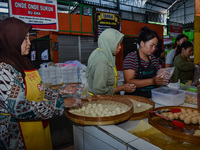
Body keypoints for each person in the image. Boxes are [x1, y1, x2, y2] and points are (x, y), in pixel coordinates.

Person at [0, 17, 82, 150]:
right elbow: (20, 108)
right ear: (11, 40)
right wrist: (62, 103)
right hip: (17, 138)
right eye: (24, 39)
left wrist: (61, 91)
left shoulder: (22, 62)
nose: (29, 43)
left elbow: (37, 91)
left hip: (36, 128)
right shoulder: (3, 69)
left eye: (29, 38)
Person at [86, 28, 136, 95]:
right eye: (117, 44)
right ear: (109, 43)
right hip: (100, 101)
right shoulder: (102, 62)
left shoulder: (100, 52)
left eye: (120, 44)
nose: (120, 47)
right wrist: (122, 88)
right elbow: (99, 91)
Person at [123, 26, 168, 98]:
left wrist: (162, 76)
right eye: (151, 45)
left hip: (151, 97)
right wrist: (152, 81)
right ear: (142, 43)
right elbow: (129, 82)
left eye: (155, 46)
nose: (154, 49)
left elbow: (158, 75)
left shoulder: (153, 58)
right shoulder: (131, 58)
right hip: (135, 99)